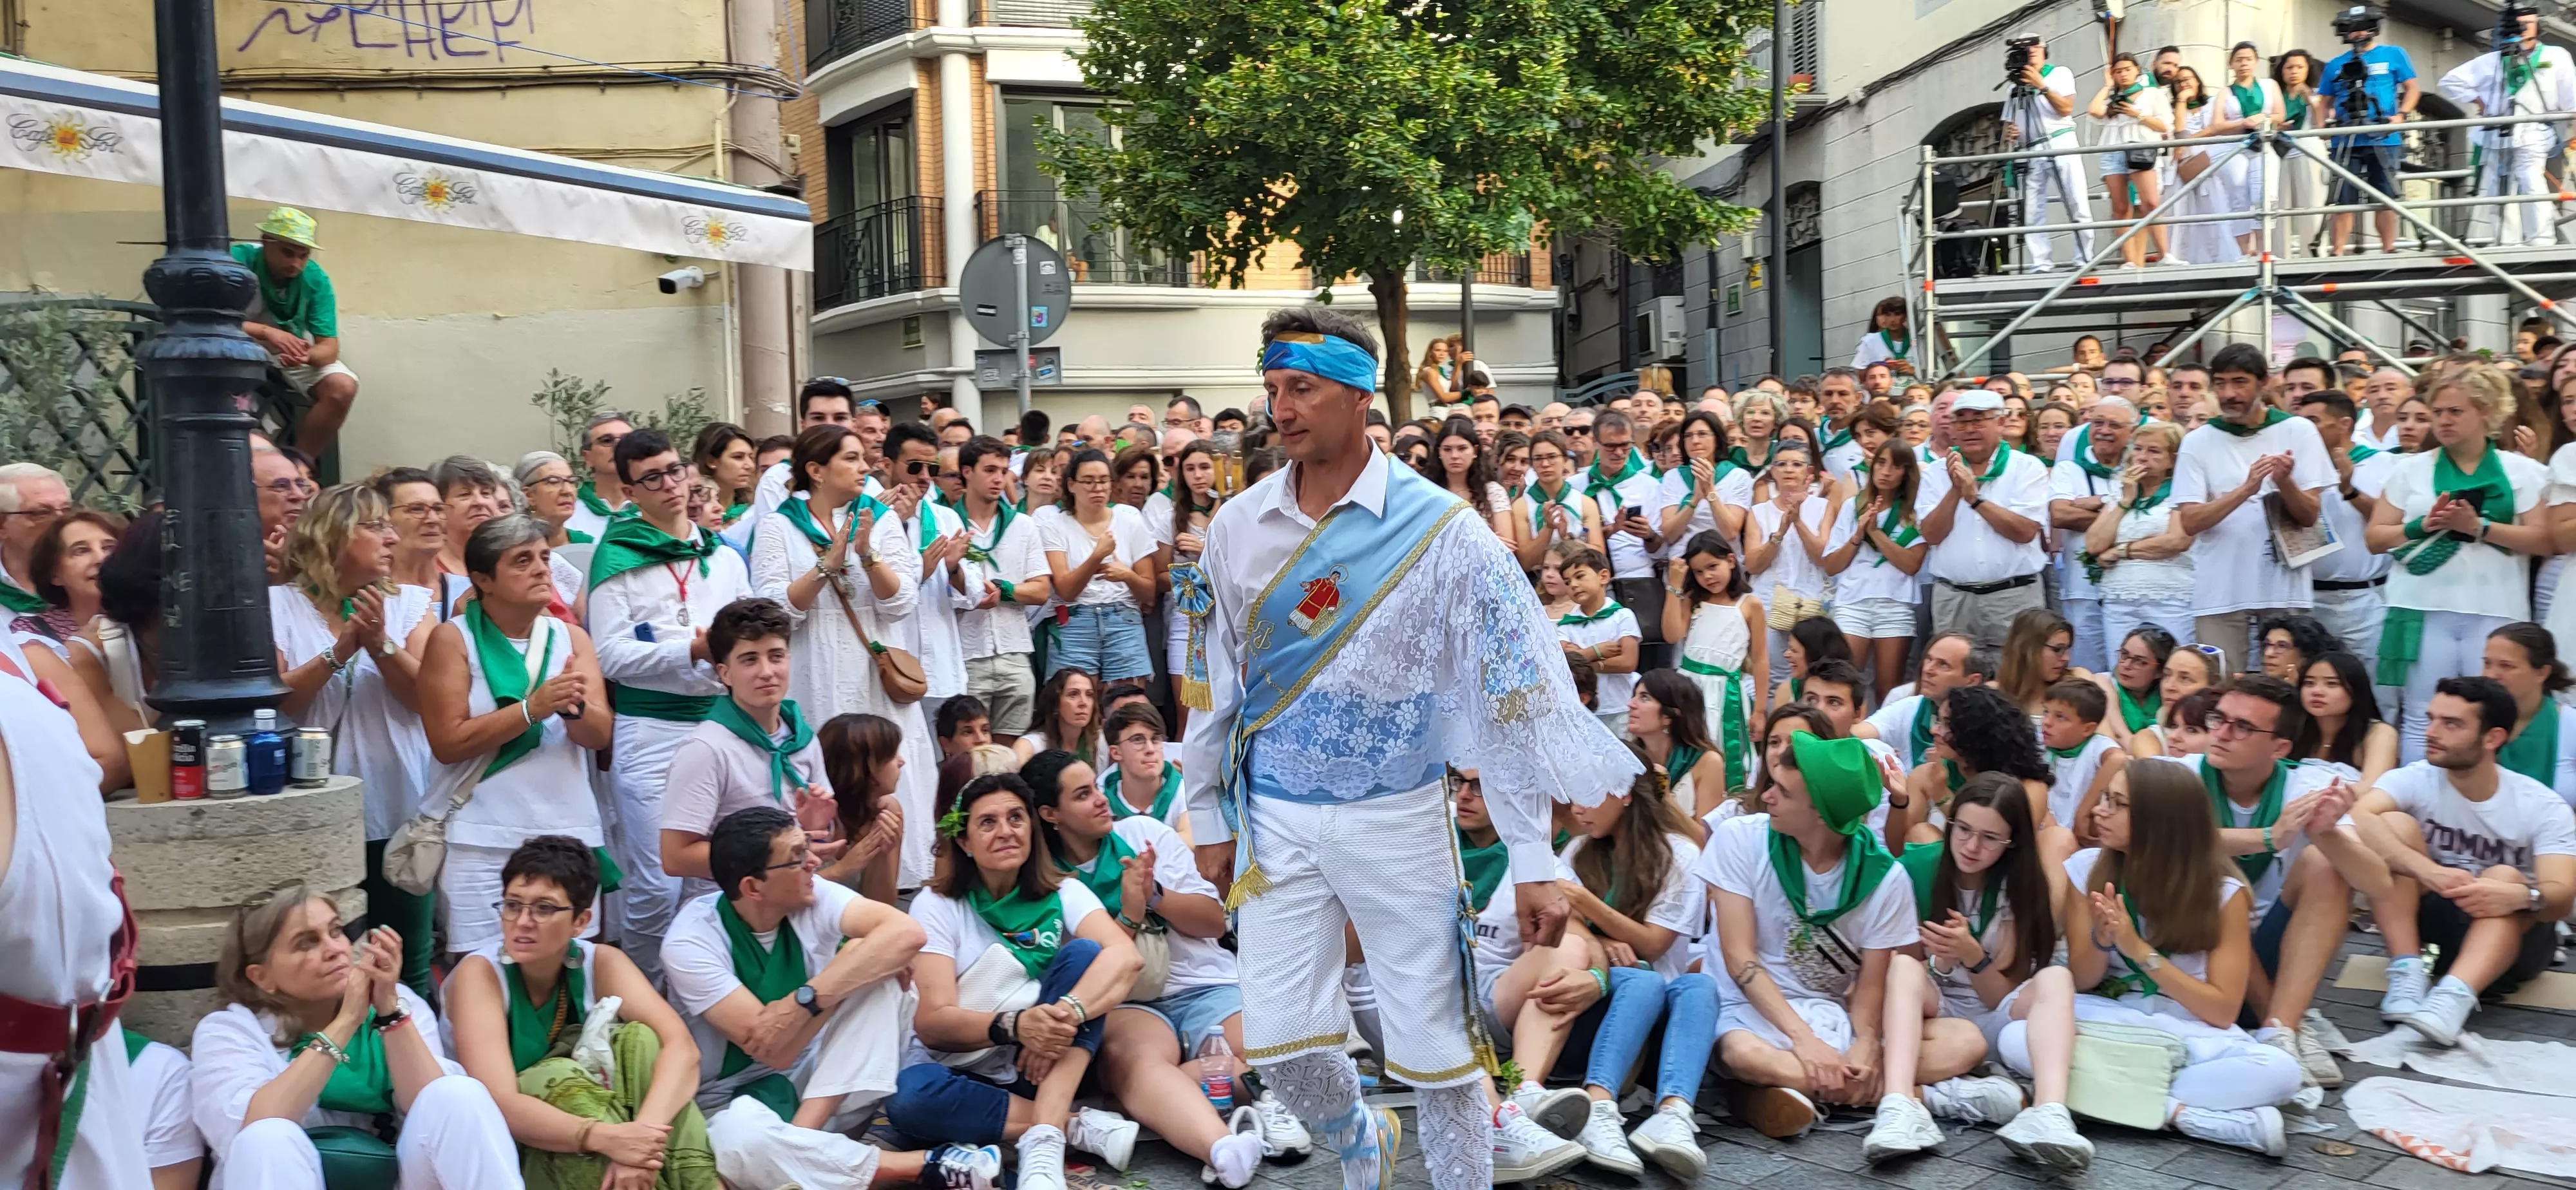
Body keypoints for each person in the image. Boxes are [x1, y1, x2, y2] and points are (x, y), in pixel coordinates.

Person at [1180, 308, 1636, 1190]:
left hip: (1400, 817)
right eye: (1273, 389)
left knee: (1439, 1052)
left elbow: (1506, 700)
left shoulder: (1445, 532)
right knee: (1281, 1045)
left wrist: (1533, 852)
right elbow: (1214, 686)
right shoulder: (1238, 526)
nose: (1281, 408)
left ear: (1359, 395)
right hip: (1273, 821)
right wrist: (1207, 808)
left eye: (1301, 389)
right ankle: (1360, 1138)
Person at [662, 808, 999, 1190]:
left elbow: (907, 934)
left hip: (821, 1085)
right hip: (724, 1101)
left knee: (886, 984)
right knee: (739, 1137)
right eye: (796, 857)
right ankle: (921, 1165)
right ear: (754, 888)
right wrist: (850, 969)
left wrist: (810, 998)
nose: (814, 863)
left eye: (808, 847)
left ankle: (802, 1149)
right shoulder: (691, 940)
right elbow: (772, 1049)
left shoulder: (810, 892)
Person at [1019, 750, 1296, 1187]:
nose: (1100, 799)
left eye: (1095, 786)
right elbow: (1096, 966)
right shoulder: (1044, 879)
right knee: (1141, 1067)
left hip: (1206, 986)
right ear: (1051, 814)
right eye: (1082, 794)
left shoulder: (1143, 833)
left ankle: (1197, 1093)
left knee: (1269, 1053)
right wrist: (1128, 913)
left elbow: (1212, 920)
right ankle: (1222, 1148)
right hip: (1130, 1003)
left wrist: (1154, 895)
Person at [2012, 761, 2306, 1156]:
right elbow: (2082, 979)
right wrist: (2101, 940)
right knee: (2014, 1037)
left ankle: (2095, 1099)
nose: (2100, 811)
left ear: (2159, 821)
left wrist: (2138, 950)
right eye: (2105, 799)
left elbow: (2221, 1010)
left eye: (2117, 804)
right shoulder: (2086, 869)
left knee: (2282, 1073)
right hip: (2112, 1020)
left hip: (2185, 1028)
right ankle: (2193, 1117)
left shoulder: (2223, 893)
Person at [889, 775, 1145, 1190]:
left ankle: (1042, 1141)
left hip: (1041, 1062)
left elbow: (1125, 957)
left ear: (1032, 830)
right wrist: (1018, 1025)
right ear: (965, 842)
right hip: (961, 1068)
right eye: (987, 823)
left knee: (1087, 957)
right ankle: (1071, 1124)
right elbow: (933, 1023)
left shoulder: (1064, 891)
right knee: (909, 1099)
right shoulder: (936, 905)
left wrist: (1059, 1019)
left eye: (1016, 818)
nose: (1006, 831)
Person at [192, 888, 519, 1189]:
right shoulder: (229, 1031)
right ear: (261, 977)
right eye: (306, 943)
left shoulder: (398, 1001)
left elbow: (433, 1107)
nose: (334, 949)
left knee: (457, 1094)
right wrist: (346, 1021)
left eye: (335, 931)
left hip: (402, 1179)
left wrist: (390, 1014)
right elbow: (250, 1128)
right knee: (265, 1137)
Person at [440, 837, 717, 1189]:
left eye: (543, 908)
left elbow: (683, 1049)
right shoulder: (479, 975)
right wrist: (609, 1139)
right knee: (550, 1073)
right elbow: (501, 1102)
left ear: (581, 921)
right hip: (510, 1143)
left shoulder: (601, 963)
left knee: (643, 1041)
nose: (523, 922)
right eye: (513, 905)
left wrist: (640, 1139)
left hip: (612, 1132)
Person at [588, 428, 759, 980]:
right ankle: (644, 1005)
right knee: (655, 886)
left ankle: (704, 1001)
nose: (670, 485)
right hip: (652, 731)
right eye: (652, 478)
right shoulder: (616, 555)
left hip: (720, 727)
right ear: (630, 491)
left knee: (716, 876)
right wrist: (692, 650)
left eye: (675, 470)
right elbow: (611, 655)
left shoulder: (723, 555)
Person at [267, 484, 440, 994]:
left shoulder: (412, 604)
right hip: (313, 810)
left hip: (397, 804)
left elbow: (425, 699)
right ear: (334, 535)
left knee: (403, 953)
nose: (392, 537)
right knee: (325, 954)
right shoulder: (276, 606)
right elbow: (280, 705)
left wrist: (382, 644)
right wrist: (340, 651)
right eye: (376, 526)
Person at [416, 515, 614, 960]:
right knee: (482, 971)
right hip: (481, 837)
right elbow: (448, 742)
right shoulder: (453, 639)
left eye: (544, 557)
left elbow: (599, 735)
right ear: (483, 579)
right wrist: (532, 709)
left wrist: (574, 706)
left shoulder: (572, 638)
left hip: (568, 831)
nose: (542, 569)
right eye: (522, 561)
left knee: (569, 971)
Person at [749, 424, 937, 893]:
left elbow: (902, 602)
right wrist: (826, 565)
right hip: (816, 672)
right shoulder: (779, 525)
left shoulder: (879, 518)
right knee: (828, 773)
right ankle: (827, 876)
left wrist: (866, 555)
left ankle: (894, 885)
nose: (865, 467)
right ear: (816, 470)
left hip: (875, 670)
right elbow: (774, 610)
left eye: (862, 458)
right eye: (851, 459)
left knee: (887, 774)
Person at [1869, 773, 2091, 1169]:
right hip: (1935, 1014)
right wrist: (1942, 963)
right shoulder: (1918, 869)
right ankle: (1901, 1103)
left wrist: (1973, 956)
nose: (1972, 847)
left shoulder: (2021, 884)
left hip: (1992, 1013)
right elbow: (1894, 969)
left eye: (1990, 838)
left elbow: (1999, 994)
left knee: (2056, 977)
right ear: (1949, 824)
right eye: (1963, 830)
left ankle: (2049, 1113)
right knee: (1905, 966)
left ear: (2011, 844)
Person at [1704, 732, 1918, 1138]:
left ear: (1821, 813)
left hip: (1826, 1014)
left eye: (1782, 793)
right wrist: (1804, 1042)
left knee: (1965, 1042)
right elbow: (1739, 960)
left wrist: (1866, 1042)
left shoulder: (1887, 879)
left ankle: (1779, 1094)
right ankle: (1912, 1096)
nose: (1766, 797)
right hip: (1747, 1009)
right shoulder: (1741, 838)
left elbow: (1871, 988)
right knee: (1741, 1054)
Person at [2344, 677, 2575, 1044]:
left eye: (2451, 724)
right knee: (2393, 824)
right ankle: (2408, 972)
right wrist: (2428, 870)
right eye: (2432, 718)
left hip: (2515, 942)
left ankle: (2453, 998)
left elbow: (2562, 894)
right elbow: (2362, 814)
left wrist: (2520, 897)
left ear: (2492, 739)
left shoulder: (2541, 805)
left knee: (2503, 876)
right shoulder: (2417, 777)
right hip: (2438, 924)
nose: (2431, 732)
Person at [2367, 363, 2554, 760]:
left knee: (2494, 716)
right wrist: (2422, 525)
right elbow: (2375, 538)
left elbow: (2544, 540)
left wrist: (2479, 527)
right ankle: (2418, 808)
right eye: (2439, 412)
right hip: (2421, 607)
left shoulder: (2523, 470)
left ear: (2486, 412)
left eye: (2456, 412)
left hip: (2495, 612)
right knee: (2422, 712)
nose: (2444, 421)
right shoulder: (2409, 468)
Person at [1546, 748, 1718, 1178]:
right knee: (1643, 984)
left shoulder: (1678, 853)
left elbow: (1654, 946)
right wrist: (1603, 941)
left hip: (1662, 1020)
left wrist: (1587, 906)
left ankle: (1674, 1115)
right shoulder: (1580, 850)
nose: (1577, 807)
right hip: (1602, 1007)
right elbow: (1565, 928)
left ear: (1624, 794)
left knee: (1699, 987)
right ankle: (1599, 1108)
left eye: (1587, 793)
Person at [658, 597, 837, 905]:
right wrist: (777, 856)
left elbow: (816, 838)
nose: (767, 672)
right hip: (725, 905)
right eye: (750, 660)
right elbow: (676, 857)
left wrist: (813, 827)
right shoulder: (706, 749)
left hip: (796, 894)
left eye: (776, 656)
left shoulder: (803, 738)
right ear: (725, 674)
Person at [2172, 346, 2332, 674]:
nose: (2229, 393)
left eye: (2240, 382)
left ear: (2264, 384)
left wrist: (2284, 482)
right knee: (2219, 689)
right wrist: (2247, 488)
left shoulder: (2298, 430)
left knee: (2287, 686)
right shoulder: (2197, 441)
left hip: (2283, 587)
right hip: (2219, 591)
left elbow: (2309, 516)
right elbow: (2190, 521)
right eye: (2220, 383)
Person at [1918, 393, 2050, 650]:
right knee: (1955, 683)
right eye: (1961, 423)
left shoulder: (2026, 467)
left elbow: (2024, 532)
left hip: (2014, 597)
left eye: (1978, 421)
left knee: (2016, 681)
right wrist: (1955, 490)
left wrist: (1975, 499)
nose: (1969, 430)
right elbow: (1932, 535)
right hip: (1954, 598)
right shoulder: (1935, 472)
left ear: (2000, 423)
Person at [2439, 5, 2572, 247]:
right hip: (2496, 132)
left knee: (2530, 179)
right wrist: (2478, 101)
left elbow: (2572, 97)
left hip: (2533, 130)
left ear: (2537, 27)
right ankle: (2506, 241)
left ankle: (2540, 239)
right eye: (2516, 26)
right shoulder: (2493, 60)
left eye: (2526, 25)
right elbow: (2450, 81)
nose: (2521, 31)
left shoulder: (2556, 55)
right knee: (2496, 187)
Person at [230, 209, 359, 455]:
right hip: (232, 345)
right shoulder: (237, 260)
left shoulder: (315, 278)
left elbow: (329, 347)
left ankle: (300, 464)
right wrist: (267, 332)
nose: (296, 264)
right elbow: (212, 320)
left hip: (286, 350)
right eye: (288, 253)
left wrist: (306, 356)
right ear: (266, 241)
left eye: (303, 255)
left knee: (342, 387)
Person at [953, 437, 1053, 746]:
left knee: (1010, 753)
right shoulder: (946, 521)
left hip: (1014, 652)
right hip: (965, 652)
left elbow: (1041, 590)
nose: (999, 479)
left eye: (1003, 471)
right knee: (968, 752)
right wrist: (967, 595)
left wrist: (1004, 591)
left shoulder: (1023, 525)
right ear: (967, 472)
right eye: (989, 470)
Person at [2294, 390, 2395, 677]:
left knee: (2374, 686)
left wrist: (2349, 489)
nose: (2305, 430)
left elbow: (2389, 520)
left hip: (2362, 600)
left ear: (2344, 425)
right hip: (2307, 597)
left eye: (2314, 421)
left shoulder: (2381, 463)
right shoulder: (2297, 468)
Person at [1039, 449, 1157, 683]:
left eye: (1104, 481)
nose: (1098, 488)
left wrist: (1128, 576)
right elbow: (1065, 590)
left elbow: (1149, 593)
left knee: (1129, 702)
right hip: (1074, 620)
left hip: (1124, 618)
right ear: (1071, 485)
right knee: (1075, 703)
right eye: (1089, 481)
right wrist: (1097, 557)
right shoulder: (1055, 525)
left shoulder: (1129, 518)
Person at [1665, 531, 1766, 790]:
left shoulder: (1749, 604)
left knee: (1728, 755)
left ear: (1731, 561)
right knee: (1686, 749)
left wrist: (1760, 711)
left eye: (1713, 566)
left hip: (1726, 693)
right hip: (1689, 689)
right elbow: (1671, 634)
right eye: (1699, 572)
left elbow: (1761, 658)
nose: (1707, 576)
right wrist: (1673, 588)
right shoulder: (1692, 601)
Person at [2318, 6, 2419, 255]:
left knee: (2385, 197)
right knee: (2342, 198)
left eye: (2363, 27)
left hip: (2384, 135)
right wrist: (2320, 129)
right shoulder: (2335, 65)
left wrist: (2401, 115)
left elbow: (2413, 88)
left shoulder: (2394, 54)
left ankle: (2388, 247)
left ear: (2373, 28)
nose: (2358, 33)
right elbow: (2324, 101)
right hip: (2346, 138)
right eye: (2352, 28)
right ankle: (2338, 250)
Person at [1745, 444, 1836, 685]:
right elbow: (1753, 565)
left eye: (1796, 464)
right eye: (1781, 464)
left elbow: (1822, 558)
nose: (1789, 470)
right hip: (1769, 602)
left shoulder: (1824, 507)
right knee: (1771, 676)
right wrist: (1779, 533)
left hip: (1812, 602)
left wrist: (1798, 522)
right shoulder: (1758, 512)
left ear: (1809, 472)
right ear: (1772, 472)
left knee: (1811, 674)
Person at [1587, 411, 1671, 665]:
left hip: (1638, 584)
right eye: (1610, 446)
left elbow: (1661, 549)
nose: (1619, 453)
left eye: (1625, 446)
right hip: (1592, 585)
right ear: (1596, 444)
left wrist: (1647, 534)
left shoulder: (1650, 486)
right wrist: (1610, 530)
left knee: (1646, 660)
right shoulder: (1578, 485)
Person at [813, 712, 911, 905]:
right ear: (862, 768)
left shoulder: (887, 810)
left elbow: (881, 906)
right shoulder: (812, 813)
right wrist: (841, 871)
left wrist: (881, 853)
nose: (901, 761)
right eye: (891, 756)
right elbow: (785, 896)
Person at [1856, 634, 1991, 772]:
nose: (1928, 670)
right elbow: (1853, 735)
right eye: (1929, 659)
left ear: (1972, 681)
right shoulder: (1912, 706)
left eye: (1943, 665)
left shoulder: (1989, 725)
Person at [2090, 54, 2177, 269]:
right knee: (2120, 207)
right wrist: (2107, 87)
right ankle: (2129, 260)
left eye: (2127, 69)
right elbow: (2094, 111)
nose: (2123, 74)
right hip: (2113, 150)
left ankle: (2165, 254)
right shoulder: (2113, 98)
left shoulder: (2152, 94)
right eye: (2118, 71)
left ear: (2137, 70)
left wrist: (2137, 115)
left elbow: (2165, 125)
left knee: (2151, 203)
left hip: (2141, 149)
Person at [2481, 622, 2576, 803]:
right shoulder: (2470, 718)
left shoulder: (2570, 724)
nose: (2491, 675)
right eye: (2487, 664)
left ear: (2542, 673)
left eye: (2506, 666)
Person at [2164, 66, 2241, 267]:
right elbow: (2180, 130)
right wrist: (2182, 100)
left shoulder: (2213, 104)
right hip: (2183, 164)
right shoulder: (2172, 108)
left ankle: (2223, 258)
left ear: (2198, 81)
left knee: (2216, 207)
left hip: (2210, 160)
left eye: (2188, 79)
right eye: (2179, 82)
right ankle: (2181, 258)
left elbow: (2215, 129)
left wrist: (2188, 142)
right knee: (2181, 212)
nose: (2184, 84)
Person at [1629, 668, 1725, 826]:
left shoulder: (1707, 762)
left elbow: (1706, 841)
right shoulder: (1628, 756)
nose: (1631, 704)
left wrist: (1666, 797)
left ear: (1669, 716)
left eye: (1644, 698)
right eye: (1634, 696)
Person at [2295, 651, 2400, 792]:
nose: (2317, 691)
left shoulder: (2379, 733)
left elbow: (2374, 788)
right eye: (2309, 683)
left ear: (2356, 691)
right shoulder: (2292, 726)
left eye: (2332, 684)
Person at [22, 507, 120, 652]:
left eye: (109, 547)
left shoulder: (153, 622)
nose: (100, 559)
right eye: (82, 551)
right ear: (55, 574)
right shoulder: (31, 633)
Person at [1513, 430, 1607, 572]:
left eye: (1552, 457)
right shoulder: (1521, 506)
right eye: (1538, 459)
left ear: (1565, 459)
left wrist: (1568, 539)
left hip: (1576, 576)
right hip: (1536, 579)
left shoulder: (1585, 503)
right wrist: (1548, 528)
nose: (1545, 464)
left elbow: (1599, 555)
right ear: (1532, 464)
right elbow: (1526, 563)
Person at [1658, 411, 1752, 552]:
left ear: (1717, 439)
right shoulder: (1673, 477)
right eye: (1688, 436)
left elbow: (1731, 532)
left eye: (1702, 434)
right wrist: (1695, 500)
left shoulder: (1738, 476)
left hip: (1722, 556)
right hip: (1682, 558)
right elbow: (1669, 535)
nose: (1695, 441)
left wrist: (1710, 491)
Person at [2272, 49, 2331, 256]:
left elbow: (2320, 125)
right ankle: (2279, 256)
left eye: (2299, 67)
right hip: (2279, 153)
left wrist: (2310, 98)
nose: (2294, 72)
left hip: (2308, 151)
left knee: (2312, 205)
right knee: (2279, 209)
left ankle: (2314, 254)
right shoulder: (2275, 95)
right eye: (2289, 67)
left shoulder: (2316, 94)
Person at [1096, 700, 1185, 831]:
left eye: (1155, 739)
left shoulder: (1181, 788)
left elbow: (1190, 840)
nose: (1150, 749)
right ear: (1116, 752)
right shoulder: (1102, 797)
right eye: (1138, 740)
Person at [1852, 297, 1917, 372]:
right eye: (1888, 315)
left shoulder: (1919, 340)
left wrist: (1914, 371)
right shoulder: (1870, 341)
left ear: (1906, 316)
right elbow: (1858, 373)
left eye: (1897, 314)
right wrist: (1881, 367)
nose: (1892, 320)